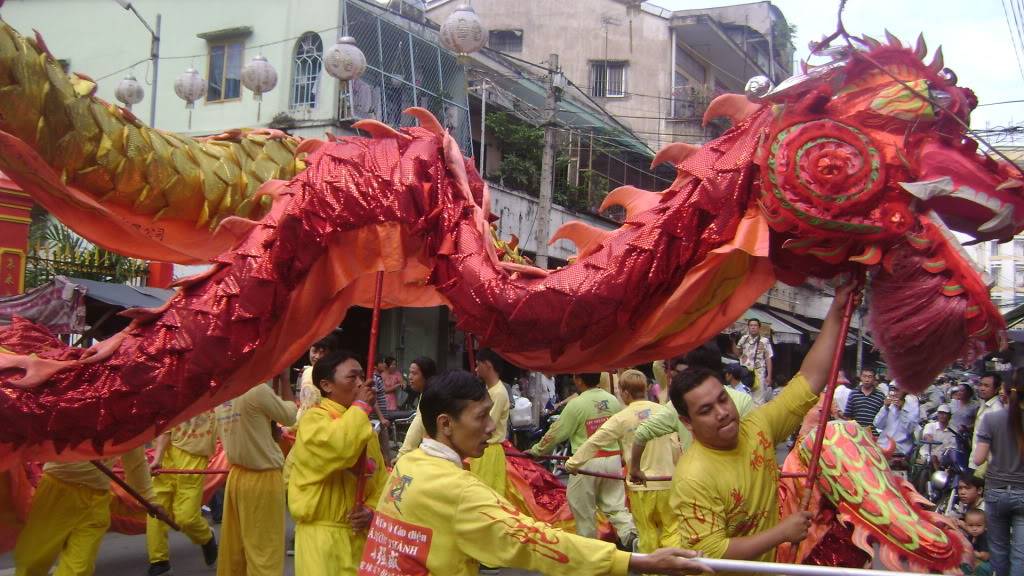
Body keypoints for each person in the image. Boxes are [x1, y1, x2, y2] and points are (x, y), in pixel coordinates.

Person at [357, 369, 711, 576]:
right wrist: (638, 562)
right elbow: (535, 541)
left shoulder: (409, 463)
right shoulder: (456, 489)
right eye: (481, 417)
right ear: (445, 424)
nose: (491, 426)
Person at [669, 283, 855, 569]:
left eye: (722, 399)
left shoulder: (758, 426)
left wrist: (838, 309)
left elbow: (811, 378)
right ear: (687, 422)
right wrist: (781, 533)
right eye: (705, 410)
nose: (722, 413)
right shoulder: (693, 477)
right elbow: (710, 552)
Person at [288, 351, 389, 575]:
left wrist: (371, 511)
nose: (361, 383)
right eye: (352, 377)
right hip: (321, 540)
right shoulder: (314, 420)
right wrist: (361, 406)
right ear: (326, 385)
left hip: (358, 537)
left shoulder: (364, 428)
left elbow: (381, 481)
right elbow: (339, 447)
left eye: (362, 376)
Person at [566, 370, 679, 552]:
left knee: (647, 532)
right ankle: (679, 566)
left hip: (641, 486)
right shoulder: (663, 411)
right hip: (668, 482)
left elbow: (595, 441)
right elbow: (675, 445)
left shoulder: (622, 418)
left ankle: (652, 570)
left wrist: (572, 463)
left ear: (625, 393)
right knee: (672, 531)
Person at [527, 372, 637, 545]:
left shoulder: (575, 405)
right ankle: (630, 536)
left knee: (583, 510)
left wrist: (537, 450)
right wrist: (623, 455)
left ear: (578, 380)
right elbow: (621, 432)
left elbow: (556, 433)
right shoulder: (613, 400)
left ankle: (590, 551)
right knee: (616, 507)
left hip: (585, 463)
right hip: (613, 460)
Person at [14, 446, 156, 576]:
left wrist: (151, 501)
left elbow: (136, 464)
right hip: (56, 492)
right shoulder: (67, 418)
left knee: (79, 570)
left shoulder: (130, 427)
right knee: (31, 562)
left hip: (97, 500)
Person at [215, 380, 297, 576]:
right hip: (262, 478)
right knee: (264, 553)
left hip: (237, 478)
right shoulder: (255, 389)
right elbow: (290, 416)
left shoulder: (220, 394)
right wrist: (285, 380)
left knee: (236, 550)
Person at [145, 411, 219, 576]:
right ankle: (159, 561)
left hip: (195, 457)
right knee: (156, 509)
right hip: (167, 455)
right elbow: (166, 427)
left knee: (186, 518)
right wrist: (158, 458)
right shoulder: (173, 389)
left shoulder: (216, 391)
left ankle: (205, 537)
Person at [971, 369, 1024, 576]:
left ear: (1005, 390)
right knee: (1020, 554)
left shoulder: (991, 419)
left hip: (995, 492)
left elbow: (978, 459)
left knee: (998, 551)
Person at [469, 349, 511, 495]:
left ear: (487, 365)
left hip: (489, 451)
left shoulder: (498, 393)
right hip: (483, 449)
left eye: (478, 364)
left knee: (484, 494)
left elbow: (485, 425)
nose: (476, 369)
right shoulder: (489, 390)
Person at [397, 356, 438, 459]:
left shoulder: (429, 397)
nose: (410, 377)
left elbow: (417, 427)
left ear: (426, 376)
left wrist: (401, 455)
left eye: (414, 373)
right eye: (410, 373)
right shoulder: (428, 393)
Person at [296, 333, 339, 422]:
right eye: (315, 351)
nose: (317, 357)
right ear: (309, 349)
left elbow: (308, 405)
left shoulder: (309, 371)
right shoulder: (308, 371)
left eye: (322, 352)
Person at [971, 372, 1005, 475]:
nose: (982, 388)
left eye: (986, 386)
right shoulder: (984, 404)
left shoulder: (996, 409)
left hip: (986, 465)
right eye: (980, 384)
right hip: (978, 461)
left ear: (996, 389)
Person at [873, 388, 919, 456]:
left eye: (897, 390)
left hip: (900, 450)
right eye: (893, 390)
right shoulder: (890, 405)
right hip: (881, 446)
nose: (894, 393)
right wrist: (885, 408)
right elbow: (877, 424)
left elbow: (910, 429)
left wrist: (901, 410)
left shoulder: (912, 403)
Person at [737, 318, 773, 404]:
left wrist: (769, 376)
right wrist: (732, 342)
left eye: (755, 325)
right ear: (748, 327)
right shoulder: (744, 339)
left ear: (759, 328)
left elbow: (768, 358)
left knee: (758, 399)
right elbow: (737, 353)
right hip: (744, 372)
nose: (753, 327)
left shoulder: (764, 341)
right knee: (744, 398)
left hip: (759, 373)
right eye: (751, 325)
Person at [961, 508, 992, 576]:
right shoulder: (971, 536)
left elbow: (985, 556)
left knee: (979, 567)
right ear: (966, 525)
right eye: (971, 525)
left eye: (979, 525)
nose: (974, 529)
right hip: (976, 560)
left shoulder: (984, 537)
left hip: (987, 564)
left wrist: (971, 552)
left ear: (985, 526)